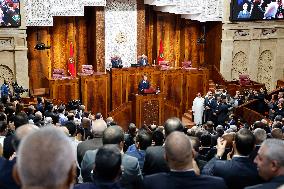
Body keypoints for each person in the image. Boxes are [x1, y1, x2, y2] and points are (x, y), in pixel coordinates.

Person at [143, 131, 228, 189]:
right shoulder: (217, 184)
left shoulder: (150, 183)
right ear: (194, 154)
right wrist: (218, 154)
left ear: (165, 157)